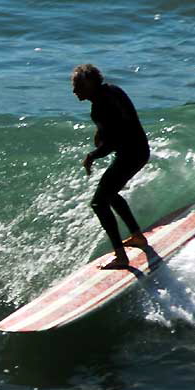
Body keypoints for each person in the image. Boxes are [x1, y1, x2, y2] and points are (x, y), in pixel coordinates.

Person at [71, 64, 150, 269]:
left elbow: (113, 141)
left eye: (78, 86)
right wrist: (101, 133)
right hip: (138, 150)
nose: (74, 91)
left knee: (99, 203)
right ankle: (138, 236)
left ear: (89, 84)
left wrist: (92, 156)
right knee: (110, 194)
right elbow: (120, 125)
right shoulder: (111, 91)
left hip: (131, 154)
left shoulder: (101, 106)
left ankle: (121, 257)